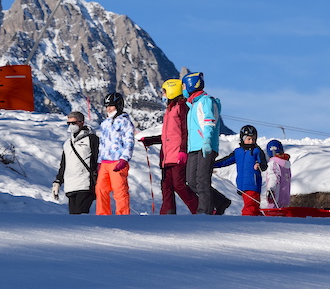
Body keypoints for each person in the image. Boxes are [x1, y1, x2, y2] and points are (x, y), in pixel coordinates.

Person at [140, 79, 198, 214]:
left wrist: (183, 151)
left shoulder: (182, 107)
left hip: (177, 154)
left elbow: (185, 131)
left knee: (179, 185)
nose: (163, 94)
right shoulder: (169, 109)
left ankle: (199, 209)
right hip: (166, 156)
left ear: (172, 90)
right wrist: (150, 140)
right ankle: (167, 214)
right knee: (166, 186)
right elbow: (168, 135)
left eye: (165, 91)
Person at [183, 72, 231, 215]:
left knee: (202, 179)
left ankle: (205, 211)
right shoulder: (192, 105)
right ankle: (221, 201)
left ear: (192, 85)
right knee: (191, 181)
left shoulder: (206, 101)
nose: (183, 89)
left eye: (184, 86)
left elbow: (209, 122)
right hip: (194, 148)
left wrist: (207, 141)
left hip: (205, 146)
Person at [214, 125, 268, 216]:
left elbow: (264, 164)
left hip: (253, 184)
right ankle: (260, 220)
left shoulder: (256, 151)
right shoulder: (238, 152)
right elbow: (226, 161)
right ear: (242, 138)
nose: (251, 141)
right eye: (249, 139)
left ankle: (246, 221)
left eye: (253, 139)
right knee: (251, 206)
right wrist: (212, 164)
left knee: (250, 206)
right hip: (242, 185)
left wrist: (260, 165)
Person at [96, 91, 135, 215]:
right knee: (100, 189)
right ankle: (102, 215)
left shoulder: (125, 122)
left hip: (118, 161)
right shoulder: (105, 124)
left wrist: (124, 158)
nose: (108, 109)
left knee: (120, 190)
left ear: (118, 106)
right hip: (105, 162)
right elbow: (102, 144)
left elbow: (129, 141)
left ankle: (122, 217)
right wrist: (99, 161)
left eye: (111, 106)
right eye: (107, 106)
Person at [52, 111, 99, 214]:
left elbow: (97, 159)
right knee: (73, 217)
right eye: (69, 123)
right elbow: (64, 164)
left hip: (86, 184)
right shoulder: (67, 143)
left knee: (81, 214)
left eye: (74, 123)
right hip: (70, 185)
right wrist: (58, 181)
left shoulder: (92, 139)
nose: (71, 126)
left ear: (81, 123)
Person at [262, 139, 292, 209]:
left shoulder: (273, 164)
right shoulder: (286, 165)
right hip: (284, 199)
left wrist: (271, 190)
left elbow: (273, 177)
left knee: (274, 216)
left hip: (275, 198)